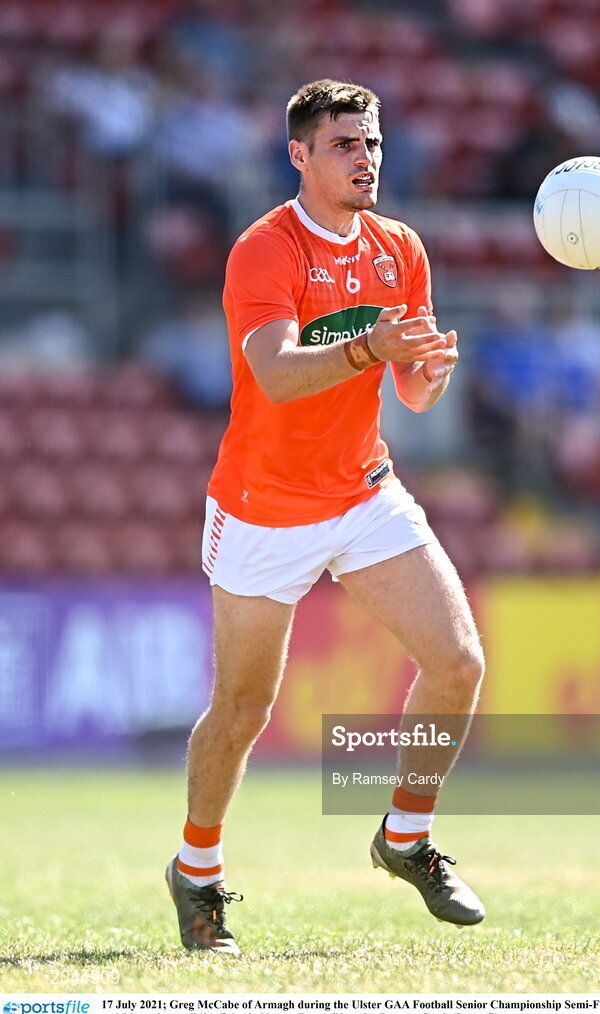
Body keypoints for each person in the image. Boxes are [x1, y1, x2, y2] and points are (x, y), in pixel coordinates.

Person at [165, 79, 486, 954]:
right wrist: (372, 347)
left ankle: (405, 839)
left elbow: (410, 390)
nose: (366, 158)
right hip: (263, 506)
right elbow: (275, 373)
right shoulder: (264, 250)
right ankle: (195, 875)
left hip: (362, 490)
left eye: (373, 143)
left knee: (456, 663)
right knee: (241, 708)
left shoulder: (399, 247)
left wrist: (424, 372)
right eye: (345, 144)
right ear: (298, 155)